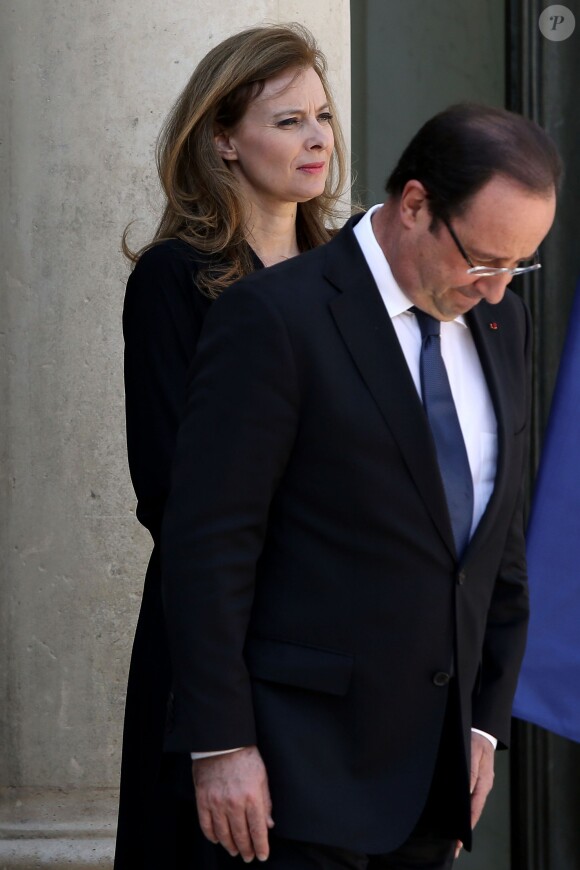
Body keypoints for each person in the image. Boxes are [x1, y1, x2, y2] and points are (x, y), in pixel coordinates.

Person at [160, 102, 561, 869]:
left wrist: (481, 725)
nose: (500, 289)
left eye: (520, 264)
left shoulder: (502, 325)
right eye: (483, 260)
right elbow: (208, 544)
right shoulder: (275, 318)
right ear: (414, 205)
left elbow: (494, 546)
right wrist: (220, 744)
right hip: (288, 784)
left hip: (431, 788)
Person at [115, 23, 348, 869]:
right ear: (221, 138)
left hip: (338, 645)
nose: (318, 138)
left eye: (321, 116)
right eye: (287, 121)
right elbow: (172, 491)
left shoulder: (349, 275)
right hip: (222, 635)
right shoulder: (175, 278)